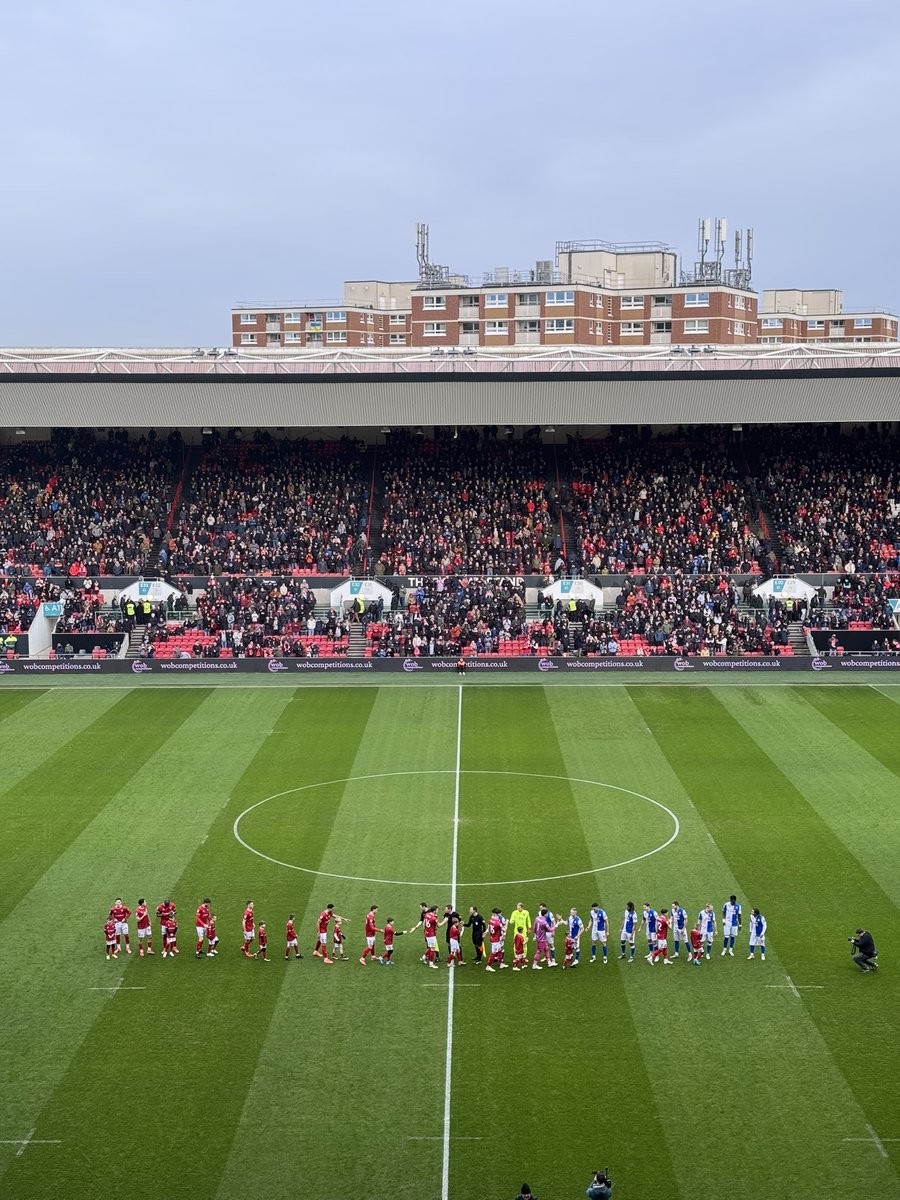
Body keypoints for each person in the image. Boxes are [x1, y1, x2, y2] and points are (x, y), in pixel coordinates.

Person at [485, 908, 508, 972]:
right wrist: (507, 922)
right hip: (496, 940)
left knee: (499, 950)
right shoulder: (498, 922)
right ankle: (488, 966)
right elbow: (504, 929)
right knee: (493, 953)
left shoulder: (491, 919)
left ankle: (501, 964)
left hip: (493, 938)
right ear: (498, 914)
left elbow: (489, 928)